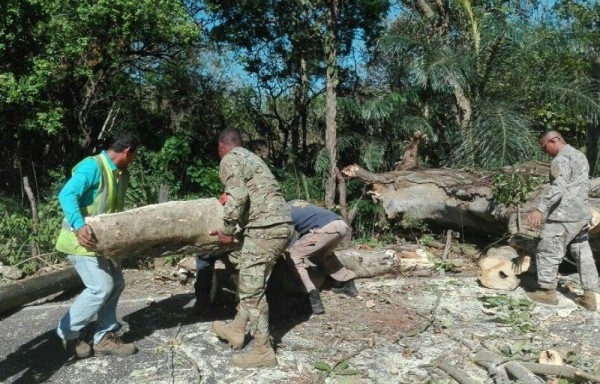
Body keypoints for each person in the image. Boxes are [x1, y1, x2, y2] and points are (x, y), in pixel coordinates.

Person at [209, 128, 292, 368]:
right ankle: (236, 329)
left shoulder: (229, 159)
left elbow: (238, 196)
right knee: (250, 282)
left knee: (251, 292)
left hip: (265, 228)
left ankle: (262, 352)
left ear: (221, 146)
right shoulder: (253, 159)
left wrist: (226, 229)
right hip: (280, 225)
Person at [55, 132, 140, 358]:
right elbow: (66, 194)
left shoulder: (121, 174)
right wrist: (80, 226)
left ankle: (104, 338)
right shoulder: (93, 167)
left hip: (102, 243)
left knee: (117, 283)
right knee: (101, 286)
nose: (133, 160)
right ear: (127, 151)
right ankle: (67, 333)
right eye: (134, 155)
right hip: (79, 240)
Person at [526, 130, 598, 310]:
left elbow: (558, 188)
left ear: (553, 141)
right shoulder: (579, 155)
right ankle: (589, 296)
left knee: (548, 249)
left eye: (544, 147)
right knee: (583, 252)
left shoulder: (561, 159)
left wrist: (539, 209)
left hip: (563, 216)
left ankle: (548, 293)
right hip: (581, 214)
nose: (545, 152)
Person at [286, 199, 358, 314]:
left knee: (294, 255)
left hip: (326, 229)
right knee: (322, 254)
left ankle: (312, 299)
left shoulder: (281, 213)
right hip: (340, 225)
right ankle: (349, 285)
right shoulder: (296, 203)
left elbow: (291, 241)